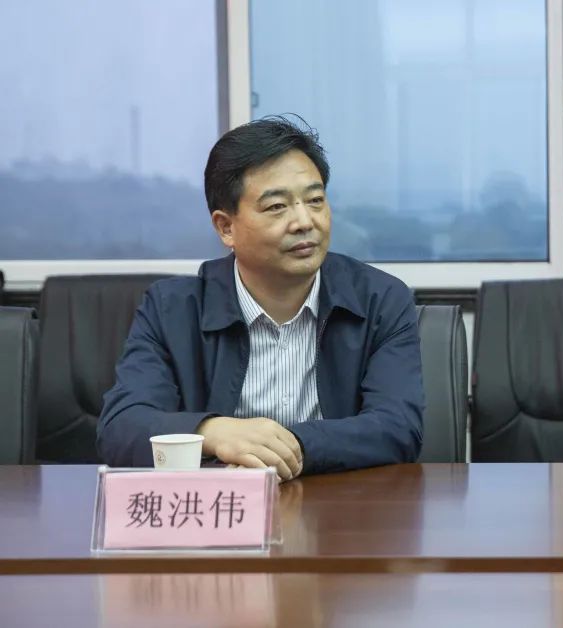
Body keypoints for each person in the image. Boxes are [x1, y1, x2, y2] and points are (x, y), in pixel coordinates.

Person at [97, 115, 424, 478]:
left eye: (315, 200)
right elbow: (122, 427)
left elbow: (398, 427)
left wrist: (289, 447)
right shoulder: (172, 309)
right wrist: (214, 432)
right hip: (218, 507)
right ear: (226, 227)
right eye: (276, 207)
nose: (304, 221)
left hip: (338, 505)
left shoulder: (380, 300)